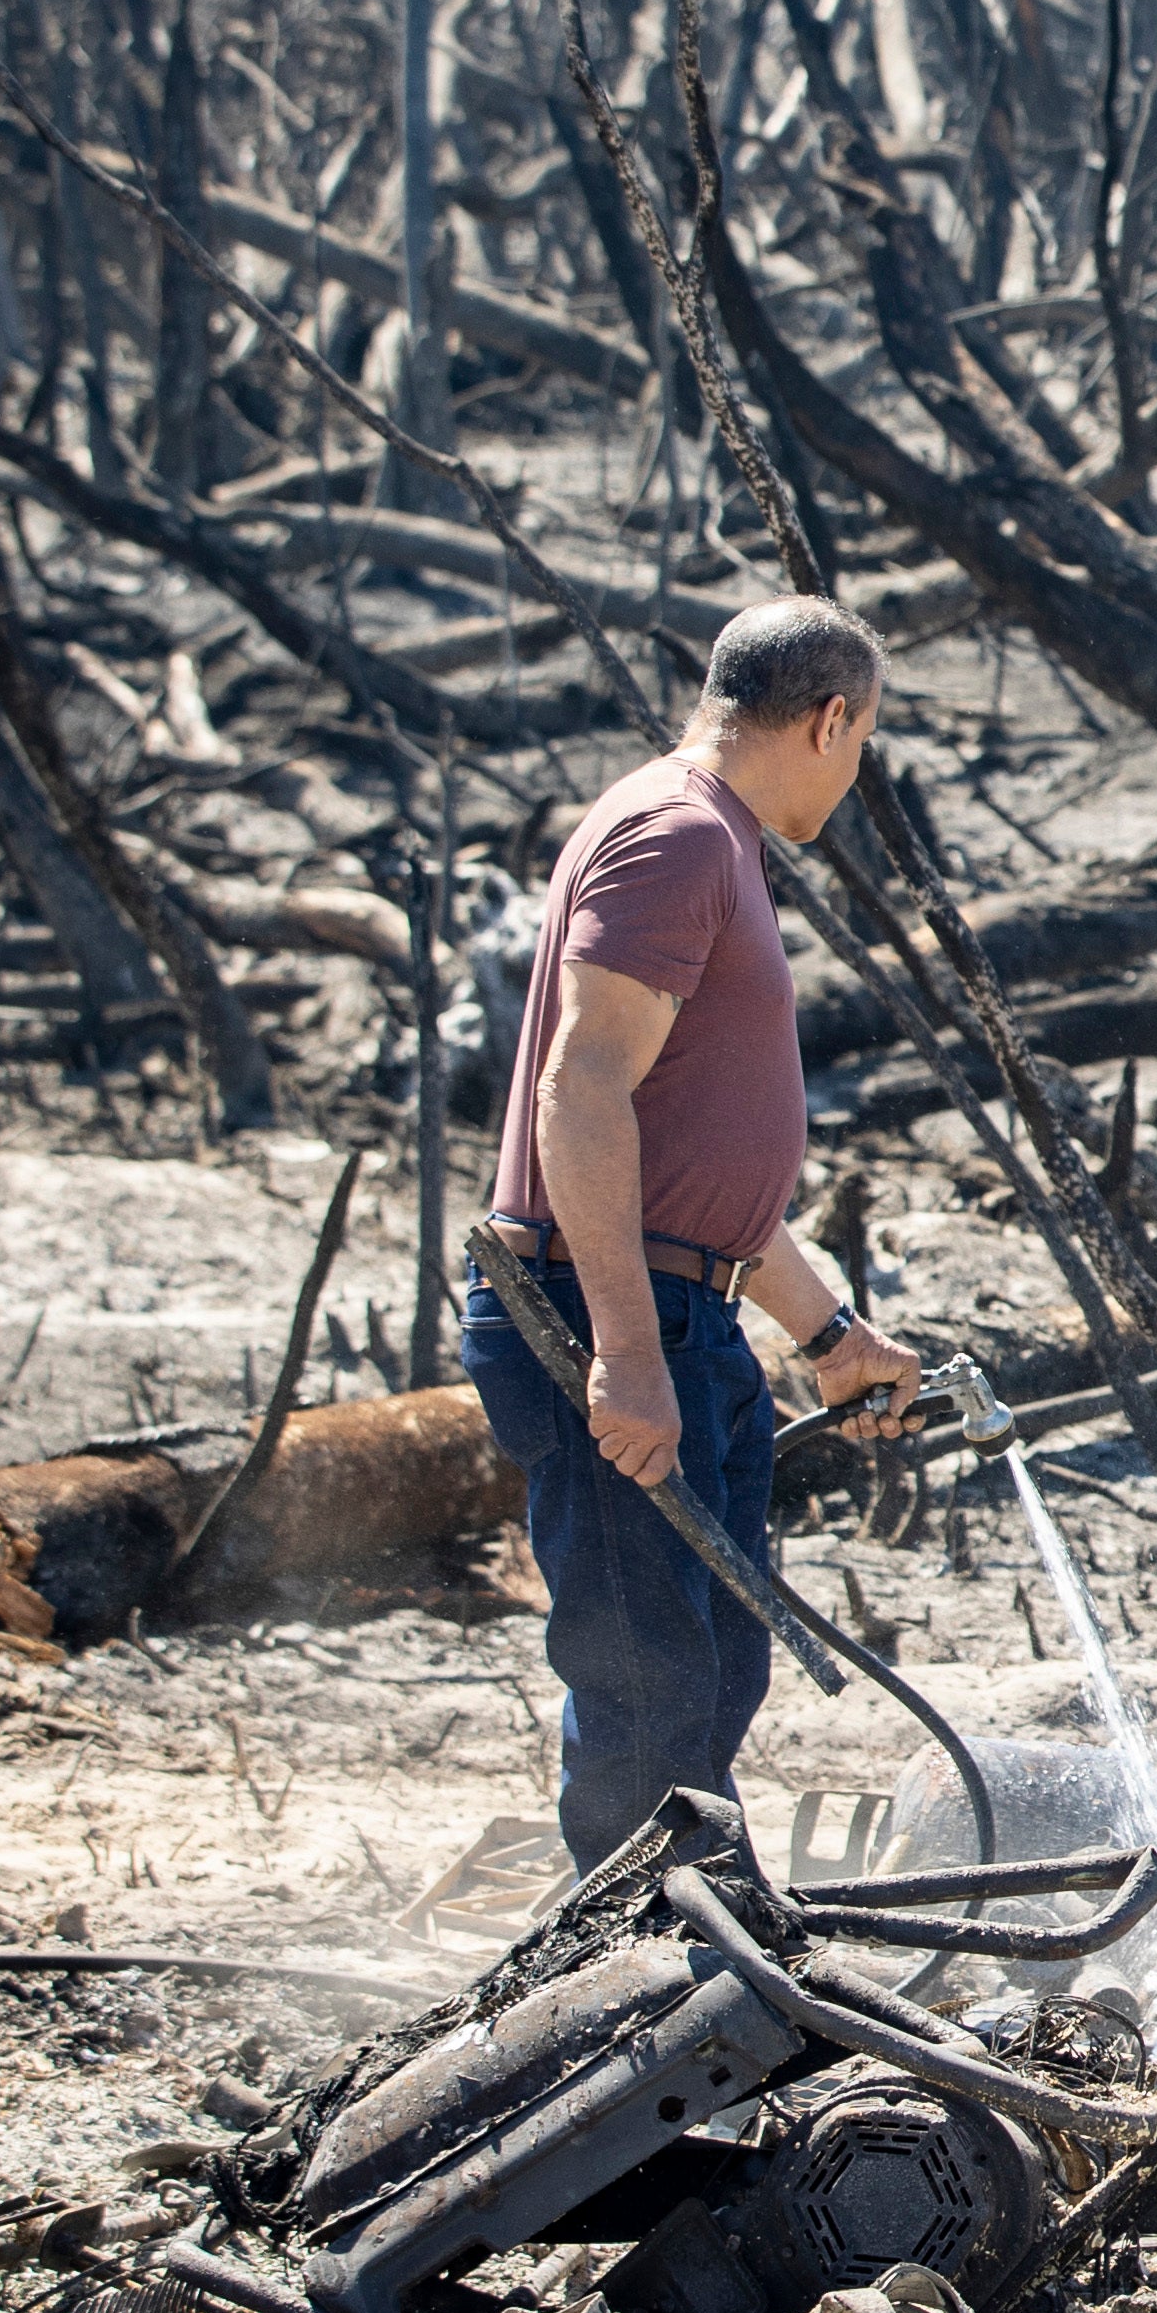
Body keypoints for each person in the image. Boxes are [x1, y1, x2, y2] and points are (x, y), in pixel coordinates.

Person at [468, 596, 925, 1866]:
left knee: (717, 1662)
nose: (855, 768)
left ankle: (694, 1937)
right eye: (863, 740)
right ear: (831, 720)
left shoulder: (708, 840)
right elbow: (583, 1086)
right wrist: (622, 1350)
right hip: (602, 1307)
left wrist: (830, 1336)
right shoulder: (676, 834)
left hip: (682, 1304)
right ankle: (638, 1976)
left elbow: (691, 1178)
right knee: (649, 1678)